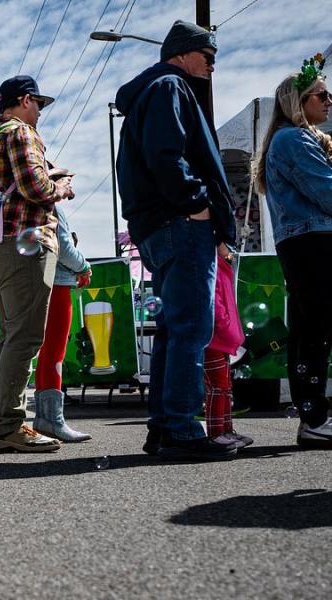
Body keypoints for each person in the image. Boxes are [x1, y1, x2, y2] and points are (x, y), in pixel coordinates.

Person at [114, 20, 236, 460]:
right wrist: (197, 203)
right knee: (190, 328)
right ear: (184, 52)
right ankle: (182, 429)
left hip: (160, 225)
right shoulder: (170, 86)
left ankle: (165, 428)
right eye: (208, 56)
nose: (212, 65)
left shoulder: (155, 90)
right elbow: (166, 155)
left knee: (173, 328)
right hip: (181, 224)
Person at [0, 75, 72, 453]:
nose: (39, 112)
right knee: (26, 337)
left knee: (8, 337)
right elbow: (35, 188)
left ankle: (3, 421)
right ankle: (9, 426)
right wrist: (61, 187)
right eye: (38, 103)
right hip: (24, 243)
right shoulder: (21, 133)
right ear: (24, 100)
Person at [256, 56, 332, 447]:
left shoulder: (284, 140)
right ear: (297, 101)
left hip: (302, 241)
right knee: (315, 330)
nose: (329, 99)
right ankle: (315, 417)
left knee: (310, 330)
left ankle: (313, 417)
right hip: (314, 241)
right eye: (321, 94)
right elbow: (326, 192)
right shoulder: (294, 139)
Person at [32, 168, 92, 442]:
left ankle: (45, 419)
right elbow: (65, 248)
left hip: (44, 279)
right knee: (55, 350)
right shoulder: (53, 209)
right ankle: (53, 420)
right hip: (58, 281)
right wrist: (84, 266)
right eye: (68, 182)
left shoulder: (37, 207)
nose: (72, 190)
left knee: (46, 351)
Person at [202, 246, 252, 449]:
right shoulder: (211, 265)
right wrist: (227, 329)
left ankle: (227, 430)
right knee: (217, 387)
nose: (229, 249)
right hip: (213, 337)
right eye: (224, 244)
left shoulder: (221, 266)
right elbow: (216, 305)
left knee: (226, 388)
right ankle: (216, 433)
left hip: (222, 338)